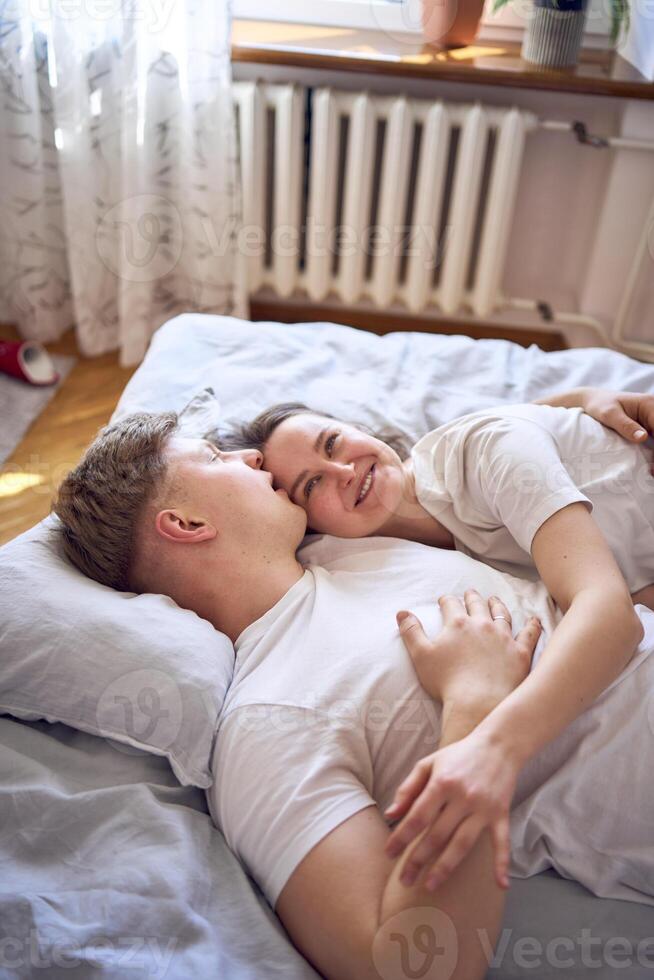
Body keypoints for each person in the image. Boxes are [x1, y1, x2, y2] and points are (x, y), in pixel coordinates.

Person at [52, 411, 654, 980]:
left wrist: (583, 404)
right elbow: (408, 964)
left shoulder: (343, 543)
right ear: (186, 524)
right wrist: (473, 705)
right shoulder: (267, 724)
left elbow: (471, 457)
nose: (251, 457)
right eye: (216, 456)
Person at [214, 387, 654, 894]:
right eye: (312, 486)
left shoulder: (485, 452)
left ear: (359, 428)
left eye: (333, 442)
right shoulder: (375, 548)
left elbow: (612, 617)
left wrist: (492, 750)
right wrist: (573, 401)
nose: (343, 473)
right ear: (307, 524)